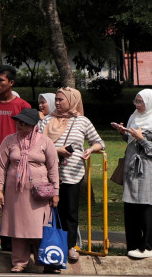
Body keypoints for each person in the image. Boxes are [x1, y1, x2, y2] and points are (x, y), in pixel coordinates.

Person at [40, 87, 104, 262]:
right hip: (47, 174)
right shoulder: (46, 121)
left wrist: (90, 149)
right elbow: (37, 144)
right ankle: (49, 244)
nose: (58, 102)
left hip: (72, 174)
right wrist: (56, 150)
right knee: (48, 211)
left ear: (72, 101)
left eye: (61, 99)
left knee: (70, 211)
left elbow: (99, 142)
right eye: (57, 99)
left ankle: (70, 246)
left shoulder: (82, 121)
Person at [0, 107, 59, 273]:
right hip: (15, 191)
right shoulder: (9, 141)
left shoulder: (45, 141)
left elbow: (53, 167)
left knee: (39, 226)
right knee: (18, 227)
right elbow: (1, 166)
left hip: (39, 192)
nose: (19, 125)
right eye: (18, 122)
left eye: (23, 123)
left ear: (32, 125)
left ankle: (44, 260)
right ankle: (19, 262)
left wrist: (56, 191)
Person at [111, 89, 152, 260]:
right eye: (136, 101)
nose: (137, 105)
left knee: (145, 206)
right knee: (130, 206)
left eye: (141, 102)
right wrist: (124, 132)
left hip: (147, 168)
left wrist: (141, 138)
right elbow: (130, 142)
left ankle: (147, 246)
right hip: (131, 167)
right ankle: (133, 245)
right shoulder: (134, 116)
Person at [0, 65, 30, 151]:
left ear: (11, 82)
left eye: (1, 80)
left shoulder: (23, 106)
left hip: (15, 152)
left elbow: (28, 133)